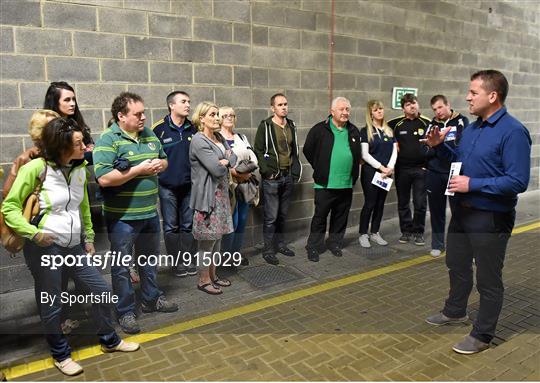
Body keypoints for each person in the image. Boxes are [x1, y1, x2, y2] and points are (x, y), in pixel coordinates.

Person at [2, 118, 139, 376]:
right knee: (52, 302)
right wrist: (34, 234)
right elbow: (9, 207)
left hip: (75, 246)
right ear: (61, 145)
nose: (85, 146)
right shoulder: (36, 169)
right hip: (46, 248)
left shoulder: (78, 169)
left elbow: (82, 206)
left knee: (102, 291)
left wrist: (88, 238)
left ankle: (109, 340)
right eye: (78, 143)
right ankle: (60, 354)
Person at [424, 70, 531, 354]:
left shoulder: (513, 132)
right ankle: (455, 310)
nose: (467, 97)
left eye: (473, 92)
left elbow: (518, 181)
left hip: (491, 216)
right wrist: (440, 149)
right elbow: (457, 161)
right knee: (456, 265)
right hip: (462, 212)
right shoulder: (472, 128)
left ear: (492, 96)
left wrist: (474, 184)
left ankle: (483, 334)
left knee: (488, 278)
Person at [93, 92, 178, 335]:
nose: (143, 118)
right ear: (121, 116)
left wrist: (158, 165)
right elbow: (105, 178)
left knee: (149, 260)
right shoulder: (108, 140)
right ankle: (125, 311)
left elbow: (163, 161)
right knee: (121, 267)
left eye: (144, 112)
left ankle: (151, 299)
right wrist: (139, 169)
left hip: (149, 212)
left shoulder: (149, 134)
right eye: (137, 114)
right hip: (122, 217)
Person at [302, 97, 362, 261]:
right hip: (325, 184)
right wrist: (320, 166)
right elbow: (308, 149)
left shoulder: (354, 130)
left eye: (347, 109)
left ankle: (335, 243)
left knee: (340, 217)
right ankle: (314, 246)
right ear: (332, 111)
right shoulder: (319, 129)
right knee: (320, 218)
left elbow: (357, 155)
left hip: (346, 183)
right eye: (341, 109)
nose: (345, 112)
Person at [190, 101, 236, 295]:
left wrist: (225, 160)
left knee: (217, 241)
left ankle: (213, 276)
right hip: (208, 198)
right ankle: (203, 280)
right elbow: (217, 169)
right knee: (207, 242)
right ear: (202, 118)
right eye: (212, 114)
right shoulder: (199, 140)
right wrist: (224, 161)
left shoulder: (217, 136)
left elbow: (232, 158)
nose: (217, 118)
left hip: (222, 197)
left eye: (218, 114)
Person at [152, 91, 198, 277]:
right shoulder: (158, 129)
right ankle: (176, 263)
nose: (188, 105)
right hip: (167, 187)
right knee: (171, 227)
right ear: (172, 105)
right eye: (183, 101)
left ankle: (188, 261)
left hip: (189, 186)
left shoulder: (193, 129)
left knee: (188, 225)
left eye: (189, 101)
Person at [253, 93, 302, 265]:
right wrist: (266, 172)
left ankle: (280, 244)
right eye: (280, 105)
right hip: (272, 178)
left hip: (287, 176)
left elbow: (294, 151)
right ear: (273, 108)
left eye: (285, 104)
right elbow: (258, 150)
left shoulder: (291, 125)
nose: (284, 107)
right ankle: (268, 250)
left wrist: (295, 172)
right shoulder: (265, 126)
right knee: (271, 216)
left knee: (282, 215)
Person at [425, 95, 469, 257]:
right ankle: (438, 244)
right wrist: (434, 148)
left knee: (458, 212)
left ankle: (459, 247)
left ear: (448, 105)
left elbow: (459, 150)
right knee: (436, 211)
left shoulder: (461, 122)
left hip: (454, 172)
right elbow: (426, 149)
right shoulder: (432, 124)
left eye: (440, 107)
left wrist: (438, 147)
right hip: (435, 174)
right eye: (434, 109)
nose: (438, 112)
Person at [388, 93, 431, 246]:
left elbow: (434, 145)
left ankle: (418, 232)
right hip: (402, 170)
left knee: (420, 203)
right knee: (403, 203)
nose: (412, 106)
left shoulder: (427, 123)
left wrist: (429, 165)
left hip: (421, 170)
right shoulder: (395, 124)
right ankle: (406, 231)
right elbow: (381, 133)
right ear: (403, 108)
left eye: (414, 103)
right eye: (408, 105)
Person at [219, 106, 257, 266]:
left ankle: (236, 255)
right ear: (219, 119)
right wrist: (237, 172)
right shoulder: (217, 139)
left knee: (242, 220)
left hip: (244, 186)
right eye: (225, 115)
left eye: (232, 115)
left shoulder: (241, 137)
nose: (229, 118)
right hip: (229, 188)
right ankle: (226, 257)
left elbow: (253, 158)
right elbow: (220, 164)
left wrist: (245, 172)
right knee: (231, 223)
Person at [358, 100, 397, 248]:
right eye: (376, 110)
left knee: (380, 204)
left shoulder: (389, 130)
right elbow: (365, 155)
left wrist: (390, 168)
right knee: (370, 203)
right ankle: (363, 233)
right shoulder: (365, 131)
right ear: (370, 113)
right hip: (371, 173)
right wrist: (381, 167)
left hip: (387, 173)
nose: (379, 111)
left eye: (381, 108)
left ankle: (375, 232)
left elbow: (394, 151)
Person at [43, 81, 94, 163]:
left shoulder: (78, 123)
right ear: (55, 102)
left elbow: (89, 145)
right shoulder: (46, 126)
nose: (72, 104)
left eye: (73, 99)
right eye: (67, 100)